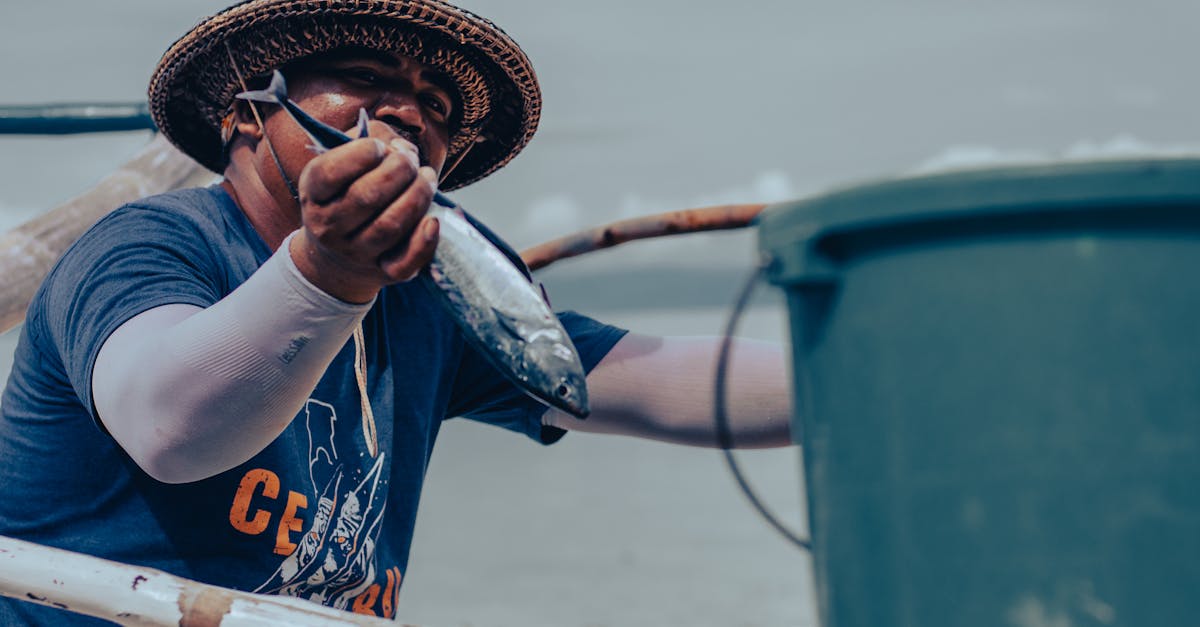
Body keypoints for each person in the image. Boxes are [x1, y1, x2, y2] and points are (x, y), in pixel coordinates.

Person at [0, 0, 791, 623]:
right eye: (362, 74)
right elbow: (169, 425)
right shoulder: (144, 246)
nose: (412, 113)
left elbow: (661, 380)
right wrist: (328, 273)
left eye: (436, 105)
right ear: (246, 116)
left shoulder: (427, 303)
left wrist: (883, 377)